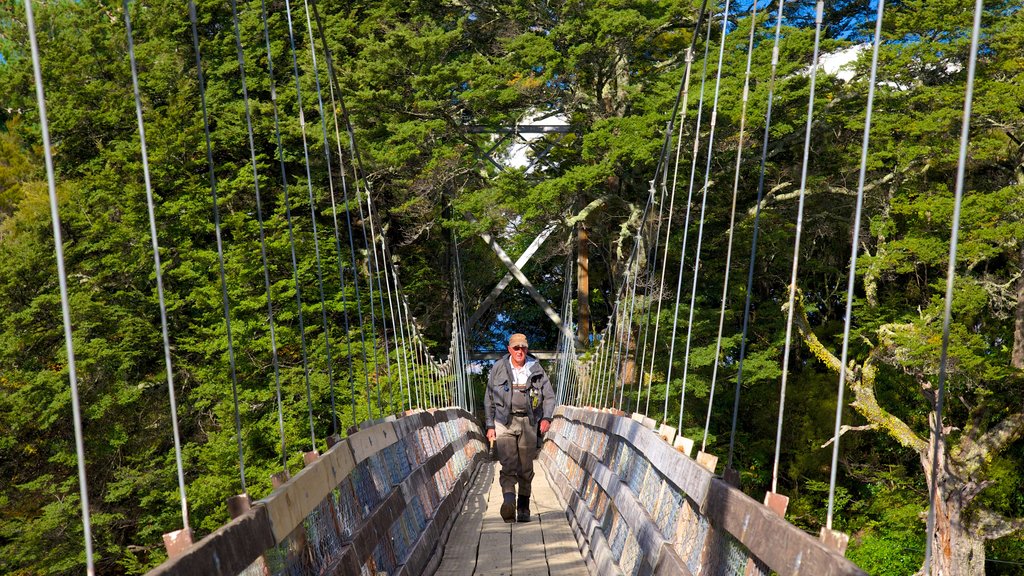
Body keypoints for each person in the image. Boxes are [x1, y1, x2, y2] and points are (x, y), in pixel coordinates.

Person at [484, 333, 555, 523]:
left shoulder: (536, 369)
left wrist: (547, 417)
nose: (519, 351)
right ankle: (509, 503)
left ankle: (523, 506)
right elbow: (489, 399)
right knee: (508, 464)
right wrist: (490, 425)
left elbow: (549, 396)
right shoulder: (498, 368)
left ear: (526, 348)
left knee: (525, 467)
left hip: (529, 422)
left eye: (523, 347)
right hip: (504, 422)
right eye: (516, 348)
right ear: (509, 349)